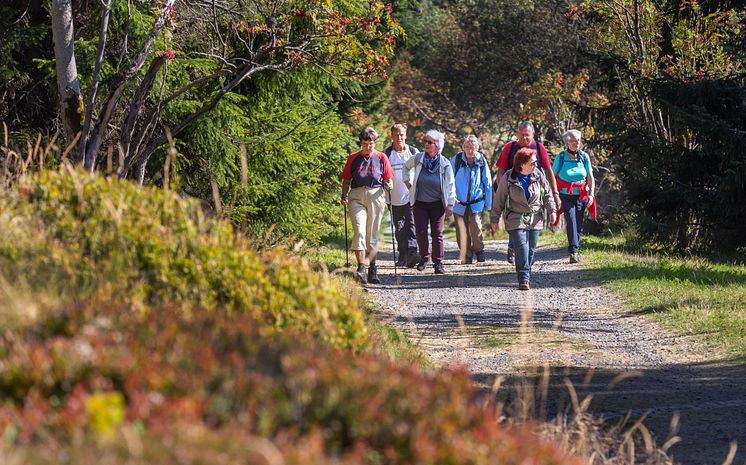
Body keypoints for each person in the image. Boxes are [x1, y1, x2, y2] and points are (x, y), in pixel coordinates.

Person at [493, 122, 561, 264]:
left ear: (533, 134)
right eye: (522, 134)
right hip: (512, 189)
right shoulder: (510, 147)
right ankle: (513, 247)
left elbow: (548, 170)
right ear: (517, 134)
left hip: (532, 190)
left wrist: (555, 193)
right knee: (514, 221)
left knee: (528, 226)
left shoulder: (539, 148)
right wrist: (503, 190)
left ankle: (522, 257)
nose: (525, 137)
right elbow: (501, 170)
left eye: (527, 135)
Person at [490, 148, 557, 290]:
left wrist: (552, 211)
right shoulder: (508, 177)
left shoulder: (538, 175)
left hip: (535, 217)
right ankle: (523, 278)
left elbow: (547, 194)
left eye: (536, 162)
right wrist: (494, 219)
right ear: (522, 164)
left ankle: (526, 271)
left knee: (531, 249)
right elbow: (499, 199)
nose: (536, 165)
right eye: (532, 163)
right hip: (515, 217)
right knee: (522, 247)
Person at [341, 127, 393, 284]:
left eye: (370, 144)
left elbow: (388, 178)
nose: (367, 147)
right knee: (359, 231)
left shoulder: (381, 157)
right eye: (364, 144)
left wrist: (389, 185)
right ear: (360, 143)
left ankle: (373, 269)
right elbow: (346, 180)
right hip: (356, 195)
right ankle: (361, 268)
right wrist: (343, 196)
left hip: (376, 195)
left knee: (372, 234)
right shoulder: (353, 158)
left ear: (375, 143)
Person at [403, 129, 456, 274]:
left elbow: (451, 185)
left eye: (430, 142)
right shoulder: (418, 158)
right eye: (426, 141)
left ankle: (438, 263)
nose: (426, 144)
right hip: (419, 202)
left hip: (438, 204)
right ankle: (425, 257)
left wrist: (450, 203)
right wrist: (407, 181)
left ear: (437, 145)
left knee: (437, 233)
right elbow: (405, 167)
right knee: (420, 231)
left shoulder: (445, 163)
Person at [552, 129, 596, 264]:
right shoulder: (561, 157)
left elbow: (590, 176)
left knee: (578, 223)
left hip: (581, 195)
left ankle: (575, 249)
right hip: (565, 195)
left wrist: (591, 194)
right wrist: (554, 195)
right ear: (566, 142)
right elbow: (552, 176)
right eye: (573, 140)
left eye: (578, 140)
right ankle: (573, 252)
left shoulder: (584, 157)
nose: (577, 143)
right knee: (571, 220)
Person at [383, 124, 421, 268]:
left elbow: (420, 171)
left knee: (411, 224)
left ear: (406, 135)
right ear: (391, 136)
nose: (399, 138)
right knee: (399, 228)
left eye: (402, 135)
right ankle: (402, 254)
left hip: (411, 196)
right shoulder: (387, 154)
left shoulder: (413, 152)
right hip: (393, 197)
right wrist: (385, 183)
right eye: (396, 135)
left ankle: (412, 252)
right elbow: (382, 175)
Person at [451, 135, 492, 264]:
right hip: (458, 201)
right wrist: (450, 198)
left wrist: (488, 204)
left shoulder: (481, 161)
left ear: (477, 148)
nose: (470, 150)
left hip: (476, 201)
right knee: (461, 229)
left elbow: (488, 183)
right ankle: (466, 254)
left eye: (472, 147)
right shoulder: (456, 160)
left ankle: (479, 250)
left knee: (476, 225)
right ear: (463, 148)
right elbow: (449, 180)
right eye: (467, 147)